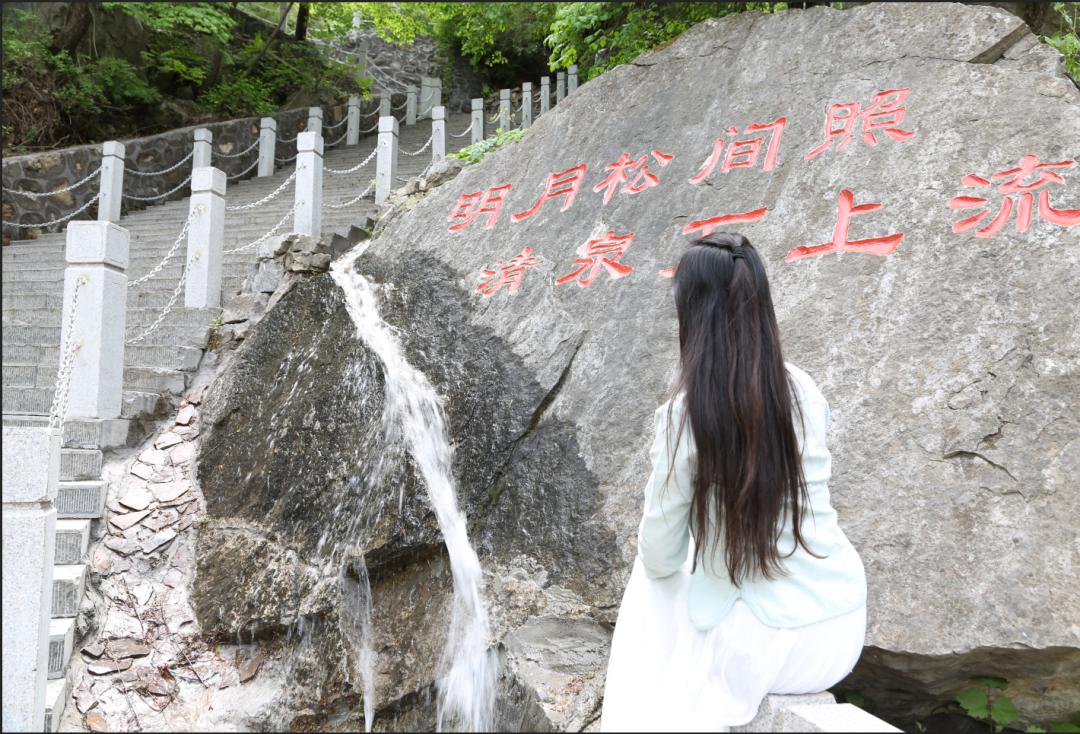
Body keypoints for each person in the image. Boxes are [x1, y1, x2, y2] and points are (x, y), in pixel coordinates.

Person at [600, 232, 868, 732]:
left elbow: (659, 554)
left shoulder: (684, 417)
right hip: (841, 630)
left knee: (650, 574)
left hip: (760, 650)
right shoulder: (803, 388)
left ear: (693, 317)